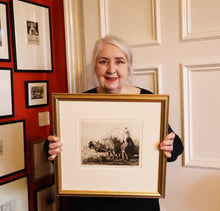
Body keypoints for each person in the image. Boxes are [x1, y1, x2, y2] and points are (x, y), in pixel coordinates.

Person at [45, 35, 183, 211]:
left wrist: (169, 146)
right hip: (88, 203)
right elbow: (51, 146)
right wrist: (51, 148)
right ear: (95, 67)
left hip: (137, 203)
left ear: (129, 67)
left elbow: (177, 146)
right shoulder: (77, 104)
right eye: (103, 61)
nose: (111, 69)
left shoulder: (147, 101)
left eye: (119, 61)